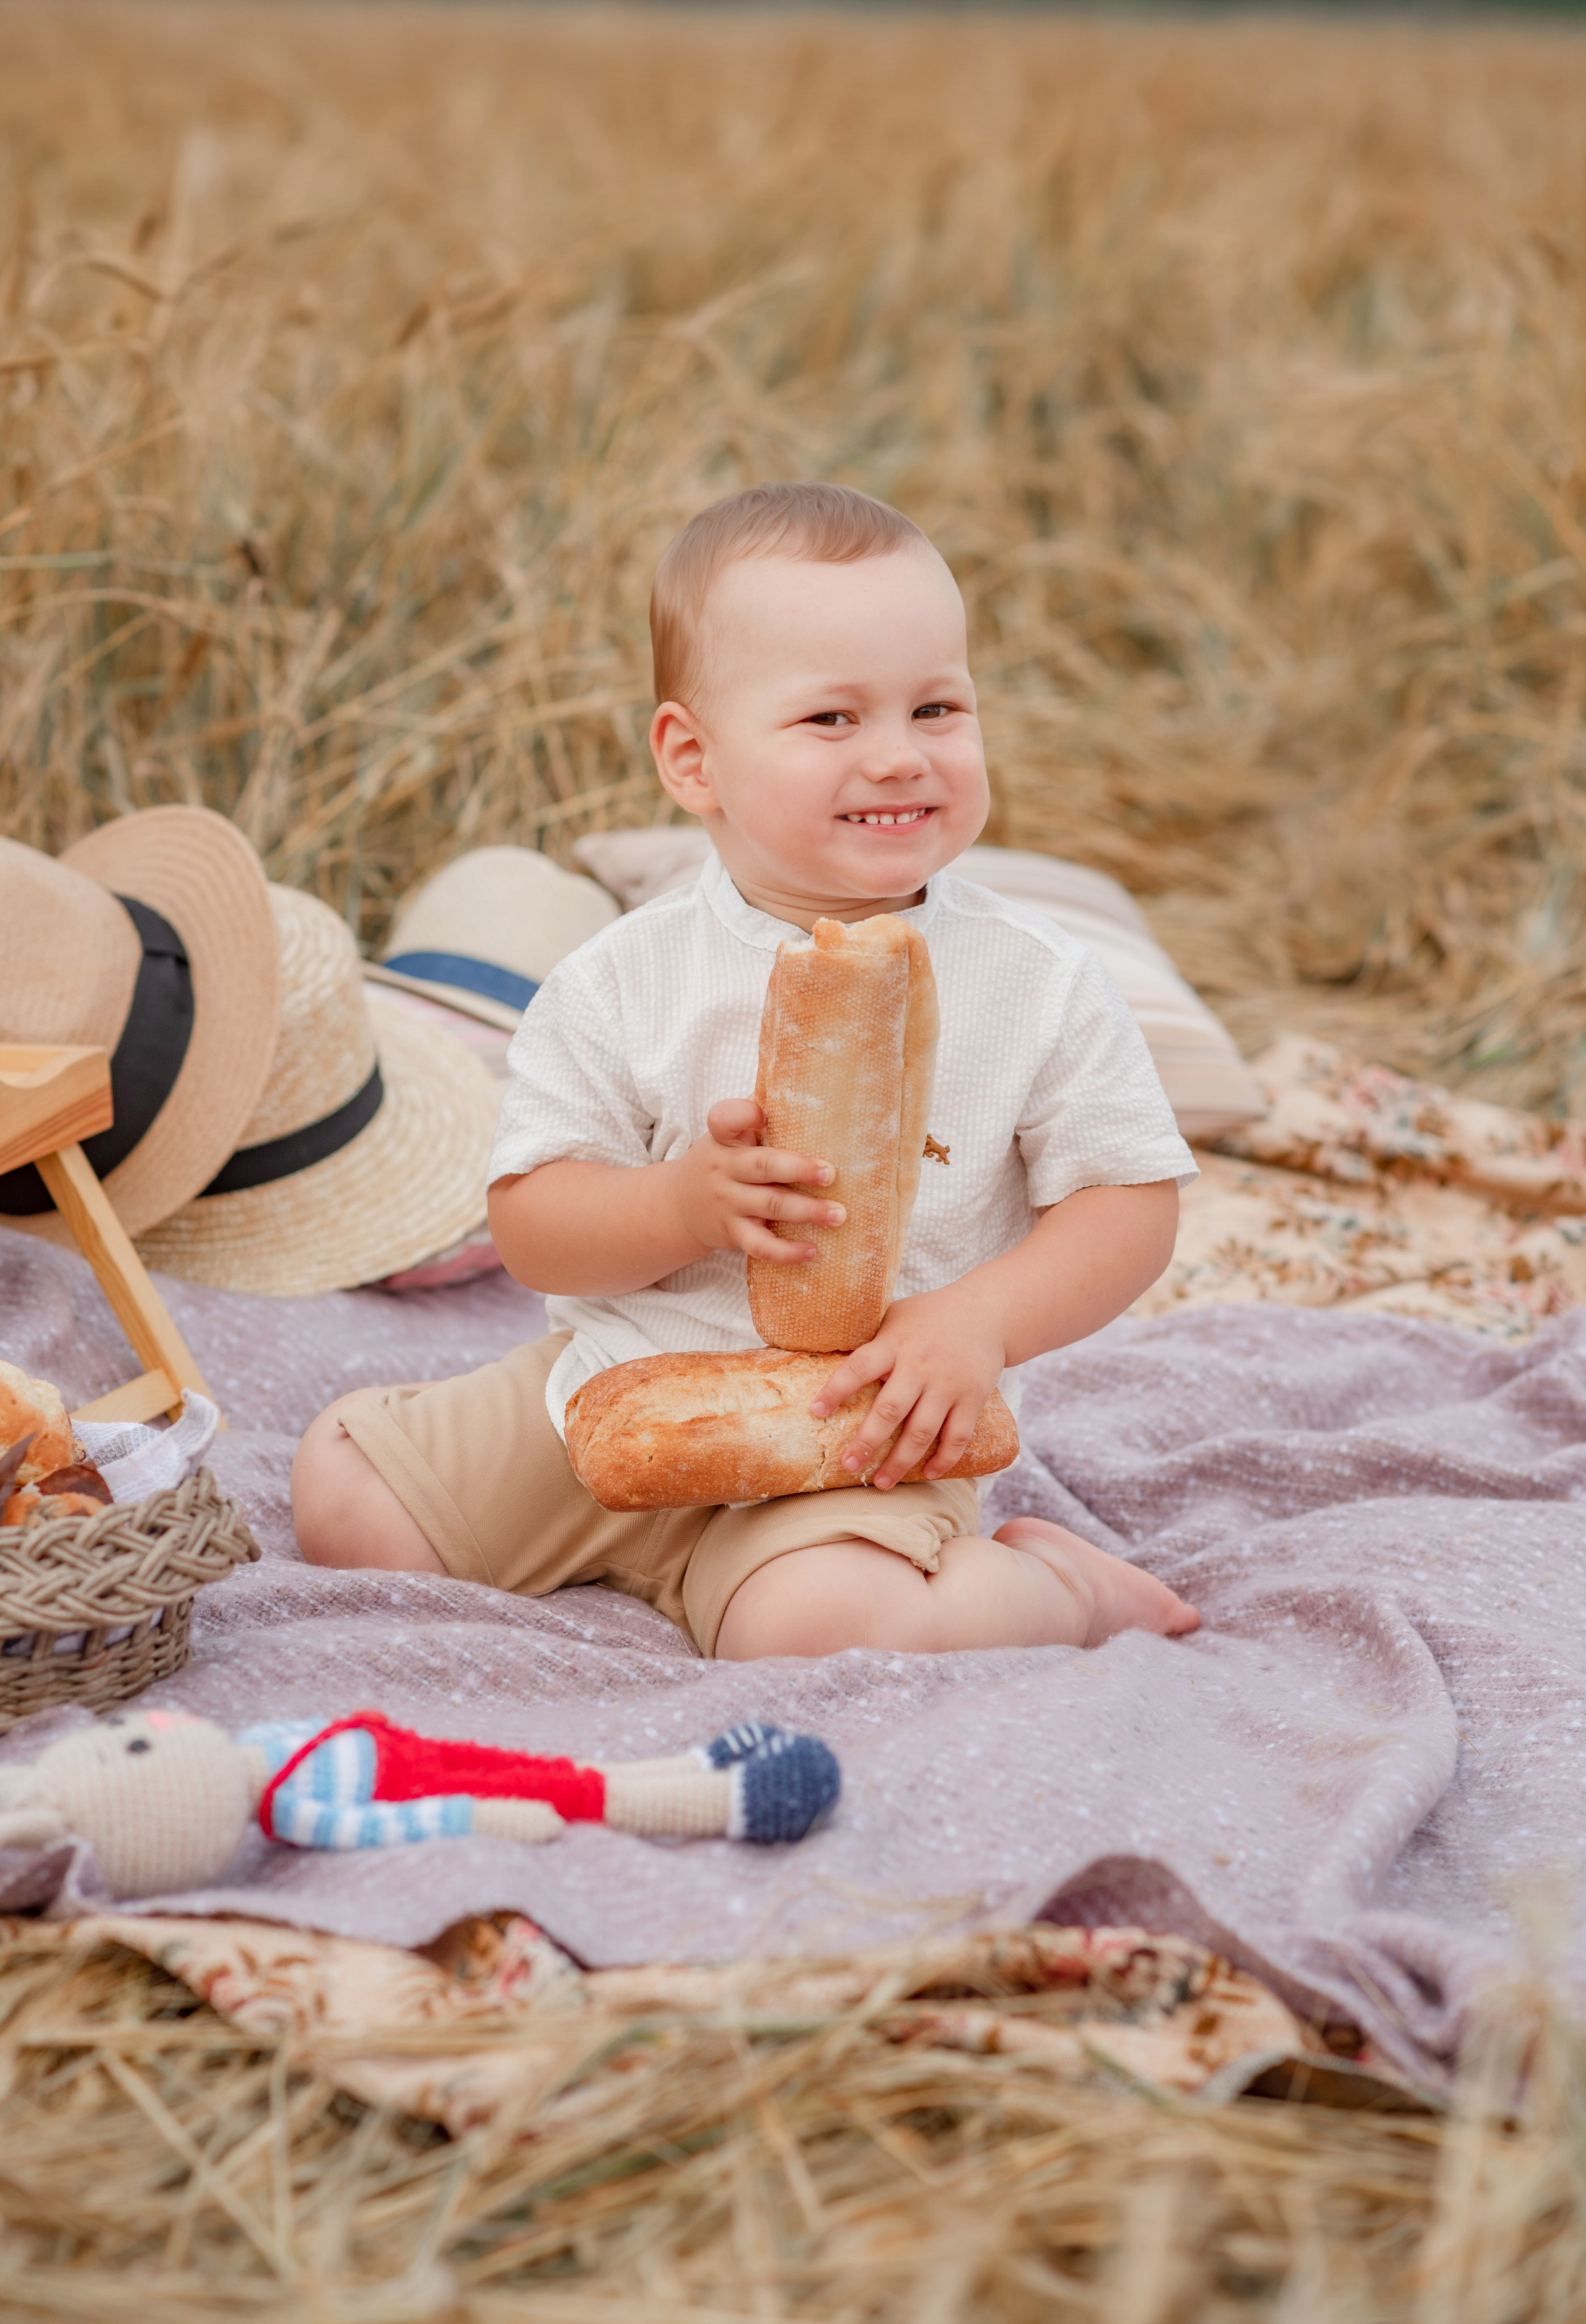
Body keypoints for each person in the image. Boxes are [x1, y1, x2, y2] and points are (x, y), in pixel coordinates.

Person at [292, 483, 1201, 1661]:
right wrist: (678, 1203)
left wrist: (977, 1323)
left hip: (864, 1427)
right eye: (832, 720)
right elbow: (533, 1226)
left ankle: (1060, 1592)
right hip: (628, 1392)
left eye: (936, 708)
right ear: (693, 759)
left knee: (819, 1624)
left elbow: (1128, 1203)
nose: (897, 757)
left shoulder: (1037, 980)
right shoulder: (622, 978)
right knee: (346, 1489)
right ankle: (649, 1558)